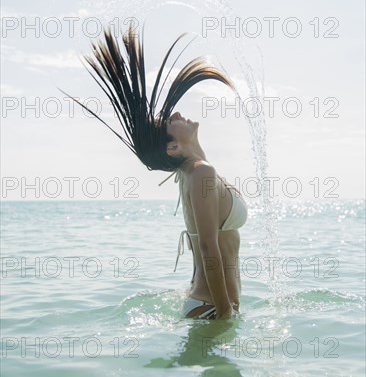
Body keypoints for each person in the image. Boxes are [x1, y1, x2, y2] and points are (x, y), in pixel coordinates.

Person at [60, 23, 247, 319]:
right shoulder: (200, 172)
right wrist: (225, 313)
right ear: (172, 148)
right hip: (212, 308)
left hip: (206, 303)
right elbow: (210, 247)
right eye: (167, 121)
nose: (175, 114)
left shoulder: (194, 170)